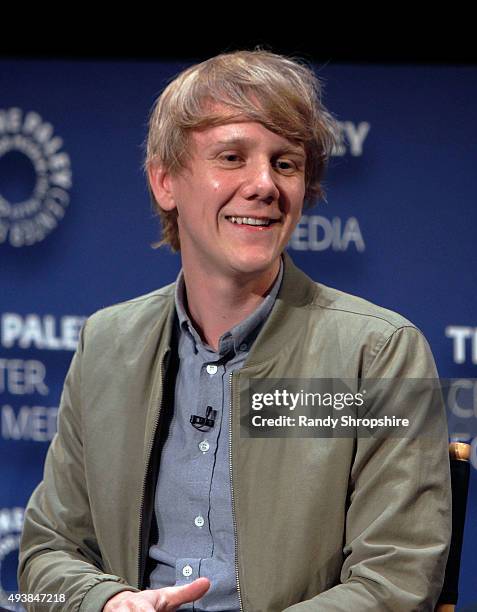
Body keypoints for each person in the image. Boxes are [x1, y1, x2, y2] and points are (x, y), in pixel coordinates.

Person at [18, 49, 451, 611]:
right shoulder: (107, 344)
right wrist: (107, 602)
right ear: (165, 182)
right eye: (231, 157)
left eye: (286, 163)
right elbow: (46, 552)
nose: (263, 184)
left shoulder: (379, 354)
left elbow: (396, 581)